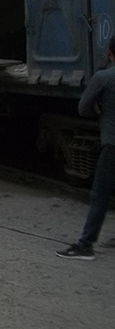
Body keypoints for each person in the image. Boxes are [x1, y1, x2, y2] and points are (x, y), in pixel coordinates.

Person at [57, 35, 115, 260]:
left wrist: (98, 111)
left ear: (110, 52)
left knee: (100, 195)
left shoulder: (104, 77)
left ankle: (85, 245)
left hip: (112, 145)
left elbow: (83, 108)